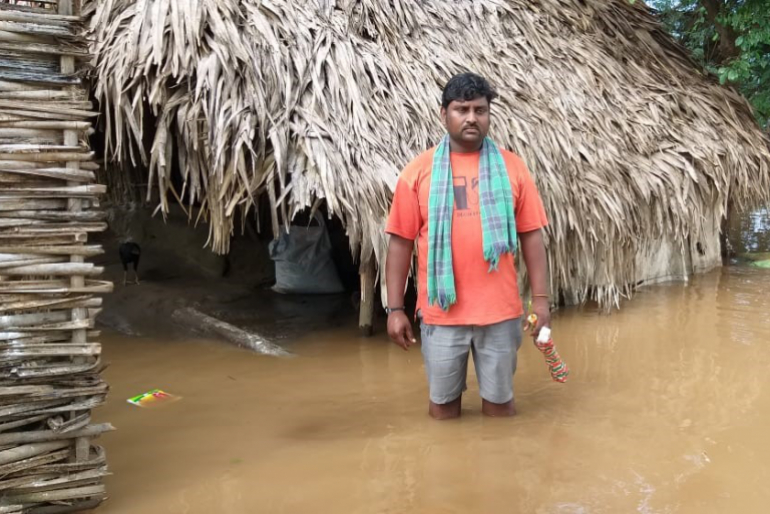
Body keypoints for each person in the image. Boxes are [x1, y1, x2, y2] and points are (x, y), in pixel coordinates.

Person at [385, 72, 550, 420]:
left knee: (501, 408)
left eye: (480, 109)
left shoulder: (513, 168)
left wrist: (541, 301)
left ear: (489, 114)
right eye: (462, 109)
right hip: (442, 314)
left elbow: (532, 235)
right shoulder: (418, 172)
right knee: (443, 410)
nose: (472, 117)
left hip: (501, 313)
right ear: (443, 114)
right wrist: (395, 309)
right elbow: (400, 242)